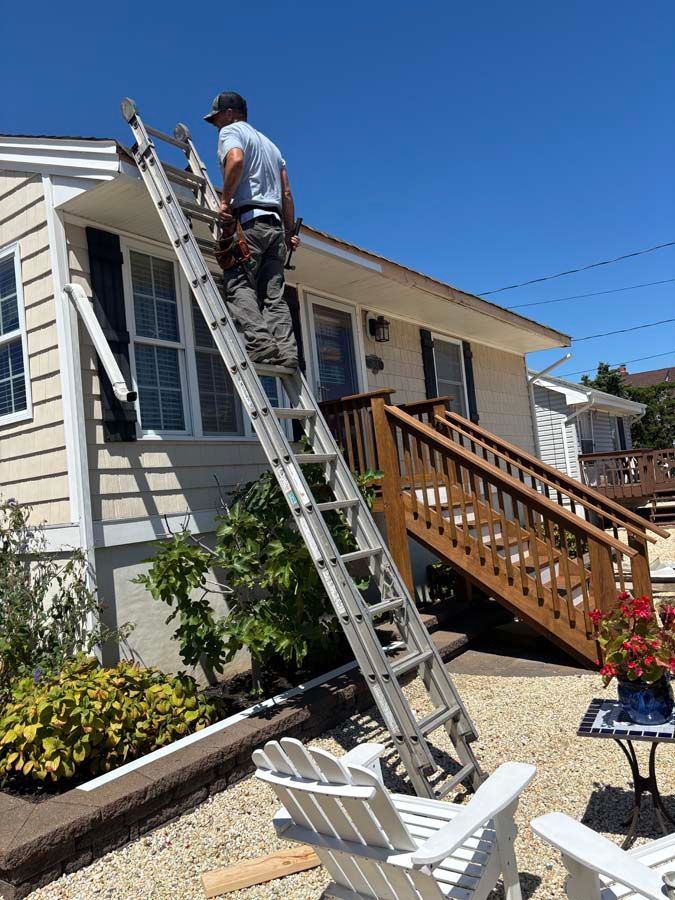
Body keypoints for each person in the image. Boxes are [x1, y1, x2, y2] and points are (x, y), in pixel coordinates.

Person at [204, 91, 300, 368]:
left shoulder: (231, 132)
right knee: (274, 296)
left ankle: (259, 343)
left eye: (217, 117)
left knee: (238, 283)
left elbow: (235, 159)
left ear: (231, 113)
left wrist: (225, 201)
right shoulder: (272, 147)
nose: (215, 124)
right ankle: (287, 351)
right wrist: (288, 231)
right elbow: (287, 193)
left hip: (250, 222)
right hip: (274, 225)